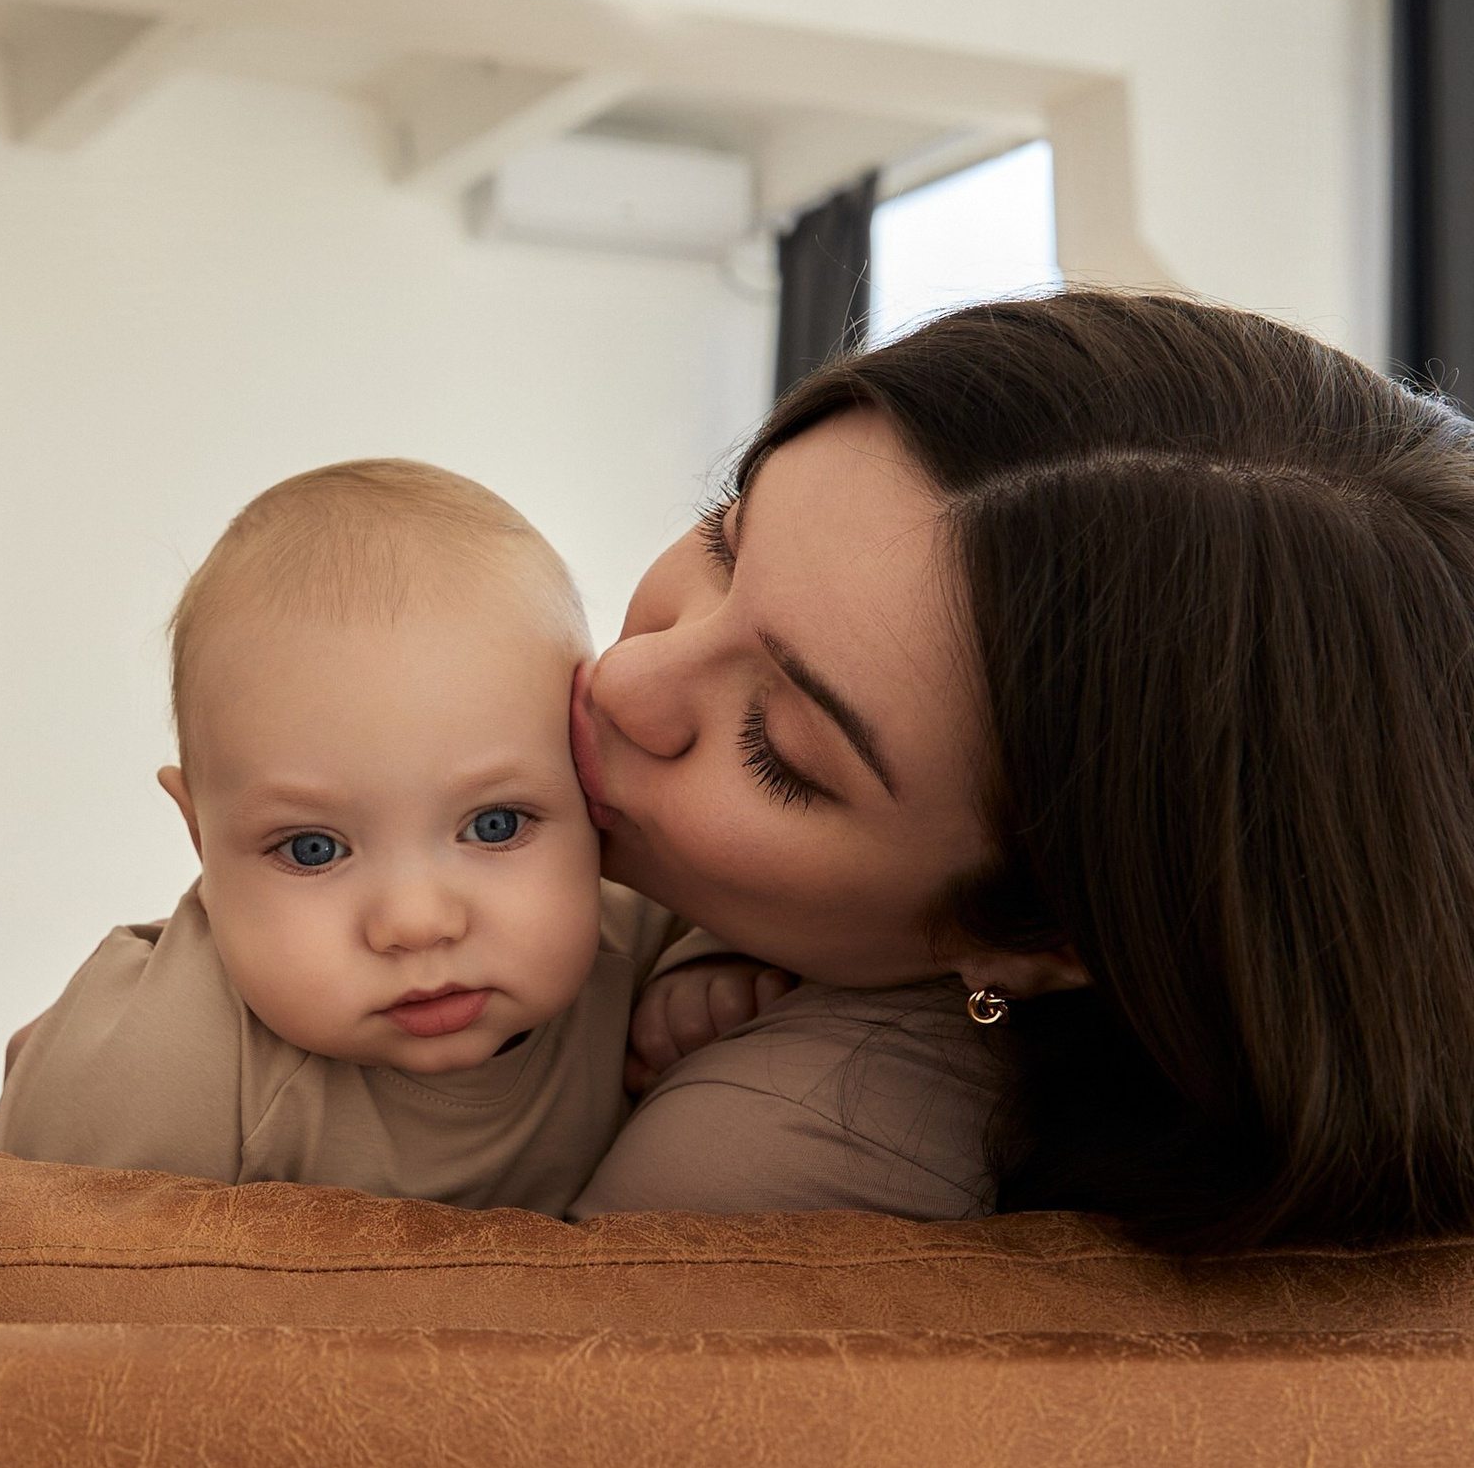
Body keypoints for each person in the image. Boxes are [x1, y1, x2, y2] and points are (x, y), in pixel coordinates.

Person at [572, 286, 1474, 1247]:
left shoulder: (761, 1162)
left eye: (778, 750)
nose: (627, 678)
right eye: (723, 537)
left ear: (1043, 941)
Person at [0, 460, 988, 1219]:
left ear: (589, 794)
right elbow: (10, 1300)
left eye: (495, 825)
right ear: (201, 840)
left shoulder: (623, 933)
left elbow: (686, 923)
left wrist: (708, 968)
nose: (415, 922)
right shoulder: (155, 1071)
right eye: (312, 850)